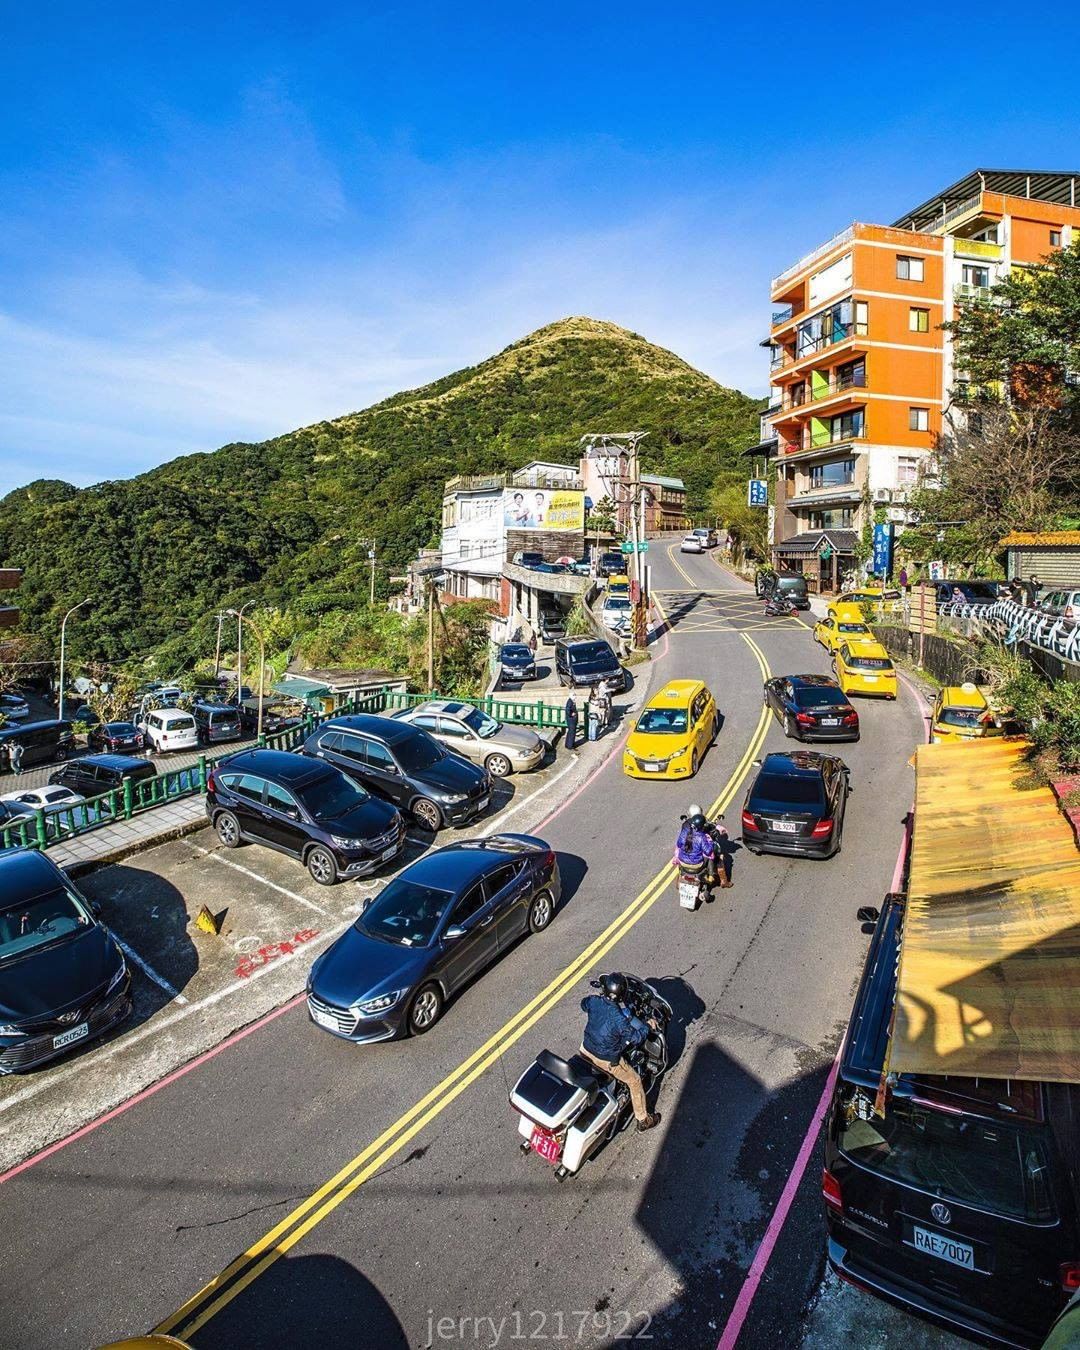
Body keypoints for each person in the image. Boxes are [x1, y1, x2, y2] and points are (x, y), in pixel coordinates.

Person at [579, 973, 660, 1131]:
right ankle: (643, 1119)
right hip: (606, 1059)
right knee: (634, 1081)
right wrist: (647, 1026)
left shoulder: (594, 1002)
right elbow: (636, 1038)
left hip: (585, 1049)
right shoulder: (619, 1019)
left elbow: (584, 1004)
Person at [675, 805, 732, 889]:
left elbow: (679, 844)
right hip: (697, 863)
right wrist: (711, 843)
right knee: (719, 858)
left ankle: (680, 878)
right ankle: (723, 881)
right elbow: (708, 851)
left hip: (683, 861)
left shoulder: (685, 827)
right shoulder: (701, 836)